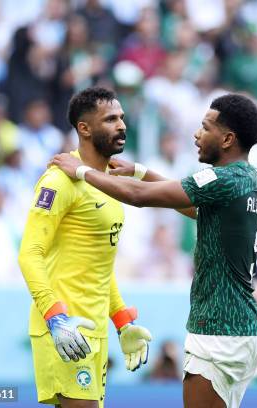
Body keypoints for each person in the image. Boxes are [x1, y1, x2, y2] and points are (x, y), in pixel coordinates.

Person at [52, 93, 257, 408]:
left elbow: (139, 197)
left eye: (205, 128)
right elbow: (195, 208)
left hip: (218, 330)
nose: (197, 135)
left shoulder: (222, 179)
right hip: (243, 328)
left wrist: (81, 171)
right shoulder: (253, 179)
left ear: (228, 139)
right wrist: (140, 171)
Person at [18, 87, 152, 408]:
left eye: (121, 117)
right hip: (65, 330)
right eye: (110, 119)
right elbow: (29, 253)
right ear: (84, 129)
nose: (121, 125)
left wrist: (120, 319)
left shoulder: (106, 180)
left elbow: (99, 264)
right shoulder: (59, 181)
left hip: (95, 330)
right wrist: (54, 316)